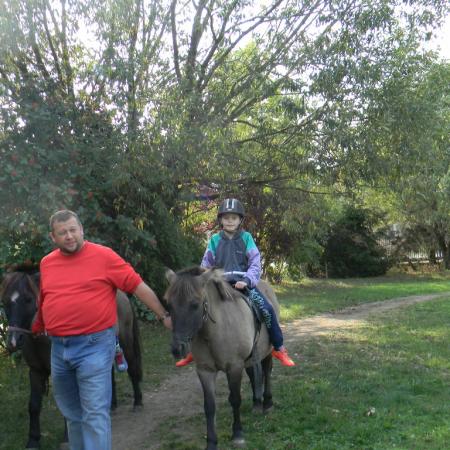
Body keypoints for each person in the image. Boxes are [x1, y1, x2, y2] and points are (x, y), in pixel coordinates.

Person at [32, 210, 172, 450]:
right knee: (72, 414)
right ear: (53, 237)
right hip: (59, 349)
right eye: (62, 232)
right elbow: (46, 298)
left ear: (82, 230)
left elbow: (137, 285)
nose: (69, 236)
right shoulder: (47, 262)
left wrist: (164, 315)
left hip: (94, 346)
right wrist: (39, 325)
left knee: (94, 413)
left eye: (73, 230)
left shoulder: (103, 256)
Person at [176, 198, 295, 367]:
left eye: (233, 218)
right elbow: (205, 265)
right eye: (226, 218)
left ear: (240, 220)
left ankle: (278, 347)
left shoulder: (246, 238)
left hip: (242, 283)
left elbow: (255, 263)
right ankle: (193, 351)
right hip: (219, 284)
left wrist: (247, 280)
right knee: (196, 309)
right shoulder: (215, 240)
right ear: (221, 220)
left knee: (267, 309)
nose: (230, 221)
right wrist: (202, 282)